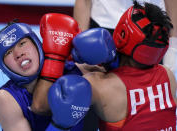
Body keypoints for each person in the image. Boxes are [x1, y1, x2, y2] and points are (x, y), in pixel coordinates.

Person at [71, 1, 177, 130]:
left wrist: (57, 60)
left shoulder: (96, 85)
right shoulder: (168, 75)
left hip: (139, 31)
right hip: (153, 33)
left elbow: (40, 106)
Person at [0, 17, 91, 131]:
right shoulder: (7, 98)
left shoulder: (76, 70)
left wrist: (111, 61)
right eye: (8, 52)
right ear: (3, 67)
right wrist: (59, 126)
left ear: (37, 43)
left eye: (22, 43)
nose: (18, 54)